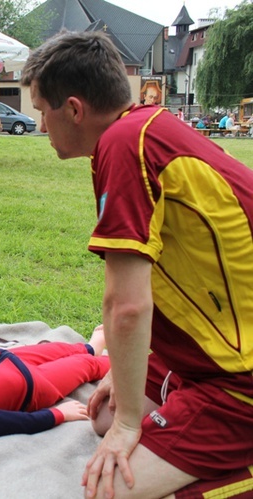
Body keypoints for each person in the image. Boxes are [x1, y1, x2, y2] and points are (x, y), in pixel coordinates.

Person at [21, 31, 253, 499]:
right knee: (102, 416)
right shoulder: (143, 128)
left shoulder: (127, 143)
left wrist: (131, 423)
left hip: (237, 377)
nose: (41, 127)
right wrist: (125, 388)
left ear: (73, 109)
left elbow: (126, 306)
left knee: (109, 490)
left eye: (41, 110)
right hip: (204, 353)